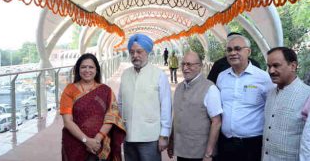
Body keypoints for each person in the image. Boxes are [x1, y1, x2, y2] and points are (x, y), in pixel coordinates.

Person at [216, 34, 274, 161]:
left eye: (237, 48)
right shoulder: (221, 77)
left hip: (252, 145)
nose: (233, 53)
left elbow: (272, 109)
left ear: (248, 51)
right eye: (229, 50)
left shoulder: (263, 78)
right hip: (226, 143)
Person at [60, 53, 125, 161]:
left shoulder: (106, 91)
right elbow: (67, 122)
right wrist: (86, 140)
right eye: (83, 67)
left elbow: (112, 117)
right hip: (75, 144)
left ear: (96, 70)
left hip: (100, 144)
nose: (87, 70)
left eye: (91, 67)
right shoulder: (69, 90)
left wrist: (97, 140)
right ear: (78, 69)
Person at [119, 33, 172, 161]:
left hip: (150, 137)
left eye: (139, 51)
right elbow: (120, 103)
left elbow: (166, 105)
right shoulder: (125, 74)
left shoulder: (159, 75)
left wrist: (164, 135)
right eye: (132, 52)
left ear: (147, 52)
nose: (135, 55)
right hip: (128, 136)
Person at [168, 51, 222, 161]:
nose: (185, 68)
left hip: (199, 153)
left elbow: (216, 122)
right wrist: (171, 142)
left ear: (199, 66)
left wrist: (209, 152)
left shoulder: (210, 88)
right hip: (182, 150)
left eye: (189, 64)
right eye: (183, 64)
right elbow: (177, 117)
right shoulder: (179, 87)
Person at [262, 47, 310, 161]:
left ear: (293, 66)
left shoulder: (307, 95)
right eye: (269, 66)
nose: (271, 71)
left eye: (276, 65)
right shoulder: (270, 93)